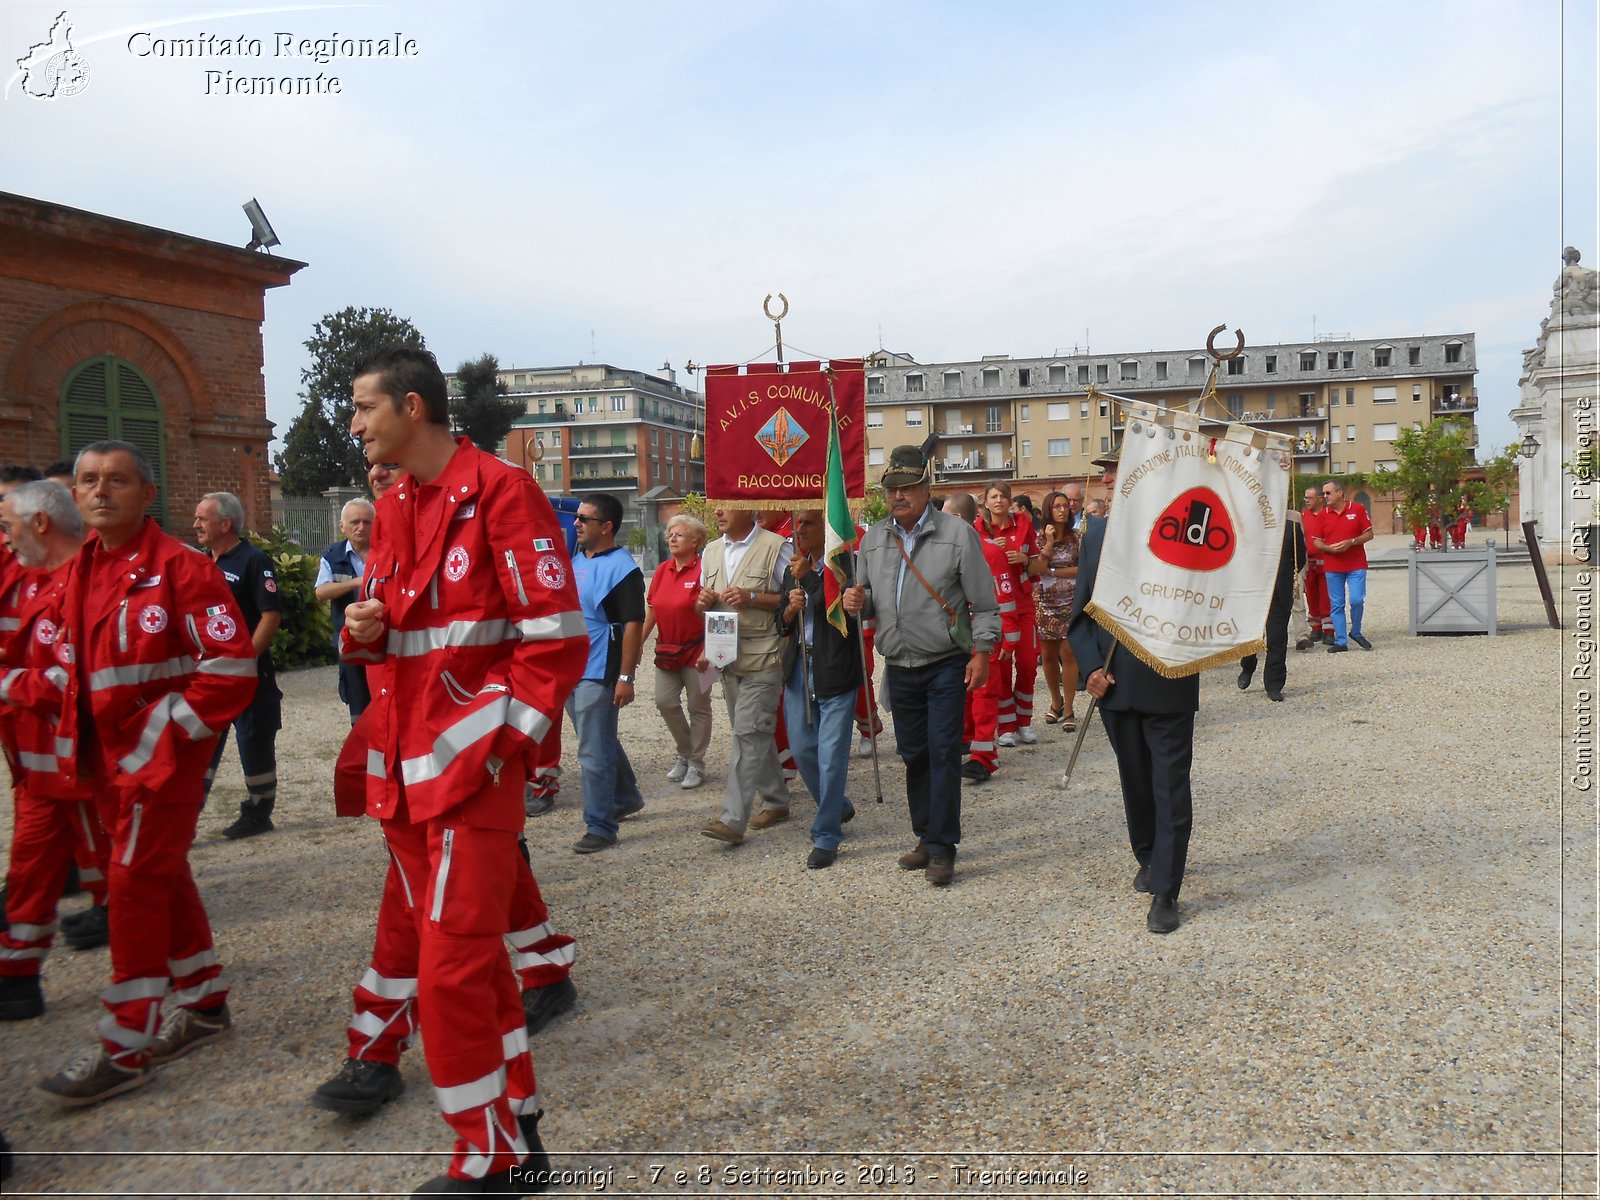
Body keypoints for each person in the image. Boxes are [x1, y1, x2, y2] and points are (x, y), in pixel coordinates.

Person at [334, 347, 585, 1193]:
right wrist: (362, 631)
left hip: (468, 776)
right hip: (406, 772)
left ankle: (490, 1160)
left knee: (445, 973)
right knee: (471, 967)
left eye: (364, 408)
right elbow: (395, 637)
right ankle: (520, 1143)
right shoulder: (397, 503)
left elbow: (554, 644)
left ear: (412, 407)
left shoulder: (504, 493)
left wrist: (495, 753)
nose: (357, 425)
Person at [36, 441, 257, 1104]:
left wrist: (161, 738)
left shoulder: (183, 570)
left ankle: (126, 1045)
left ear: (146, 493)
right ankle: (205, 1004)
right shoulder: (76, 570)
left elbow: (231, 670)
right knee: (161, 874)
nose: (101, 492)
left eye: (117, 481)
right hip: (103, 765)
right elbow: (67, 664)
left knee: (131, 889)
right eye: (89, 481)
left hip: (160, 766)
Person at [842, 446, 999, 886]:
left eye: (908, 488)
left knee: (944, 751)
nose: (899, 496)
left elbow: (984, 603)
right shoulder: (873, 538)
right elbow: (869, 597)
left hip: (946, 662)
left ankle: (943, 847)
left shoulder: (957, 533)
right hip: (898, 663)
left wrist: (983, 653)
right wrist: (856, 600)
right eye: (892, 488)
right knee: (913, 755)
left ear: (926, 488)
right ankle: (926, 836)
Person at [1068, 452, 1199, 935]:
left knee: (1169, 787)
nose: (1105, 480)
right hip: (1113, 682)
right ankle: (1148, 857)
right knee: (1136, 783)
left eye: (1116, 472)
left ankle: (1167, 889)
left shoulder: (1188, 533)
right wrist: (1088, 671)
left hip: (1168, 679)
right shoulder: (1096, 534)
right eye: (1104, 472)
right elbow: (1081, 613)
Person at [0, 480, 111, 1020]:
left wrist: (6, 684)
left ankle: (172, 976)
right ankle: (18, 976)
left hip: (84, 765)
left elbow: (72, 681)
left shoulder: (84, 584)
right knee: (33, 872)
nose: (6, 539)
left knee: (118, 869)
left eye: (9, 527)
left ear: (40, 523)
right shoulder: (39, 581)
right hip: (45, 765)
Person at [697, 506, 792, 846]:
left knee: (747, 733)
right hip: (727, 658)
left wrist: (753, 597)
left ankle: (732, 819)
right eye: (716, 505)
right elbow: (703, 606)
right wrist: (703, 602)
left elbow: (795, 599)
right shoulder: (710, 551)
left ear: (748, 509)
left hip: (765, 657)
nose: (718, 511)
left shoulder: (776, 546)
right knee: (755, 732)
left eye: (725, 504)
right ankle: (777, 801)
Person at [776, 509, 863, 868]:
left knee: (831, 758)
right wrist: (788, 611)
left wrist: (811, 580)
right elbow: (781, 623)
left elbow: (843, 615)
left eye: (808, 523)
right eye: (799, 524)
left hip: (835, 669)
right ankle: (838, 806)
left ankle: (827, 834)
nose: (799, 529)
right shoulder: (792, 569)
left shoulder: (847, 566)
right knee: (802, 749)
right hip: (799, 667)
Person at [193, 492, 282, 839]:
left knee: (254, 742)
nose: (196, 524)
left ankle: (258, 814)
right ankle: (183, 817)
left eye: (202, 518)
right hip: (208, 677)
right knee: (199, 746)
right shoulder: (201, 563)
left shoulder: (253, 560)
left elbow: (270, 616)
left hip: (248, 676)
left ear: (225, 524)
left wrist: (245, 661)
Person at [569, 492, 646, 854]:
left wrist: (625, 678)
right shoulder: (577, 558)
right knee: (597, 738)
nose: (577, 523)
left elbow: (633, 624)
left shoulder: (623, 568)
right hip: (572, 667)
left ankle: (600, 825)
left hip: (598, 670)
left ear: (607, 527)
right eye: (578, 518)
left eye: (585, 519)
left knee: (592, 750)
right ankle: (625, 796)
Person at [942, 493, 1016, 786]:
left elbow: (1005, 599)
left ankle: (985, 759)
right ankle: (968, 740)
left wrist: (1008, 639)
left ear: (957, 520)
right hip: (956, 636)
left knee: (984, 695)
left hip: (985, 636)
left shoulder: (990, 552)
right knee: (964, 693)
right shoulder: (943, 552)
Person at [642, 513, 710, 791]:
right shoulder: (661, 570)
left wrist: (710, 650)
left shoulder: (705, 569)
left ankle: (696, 763)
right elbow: (651, 610)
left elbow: (716, 613)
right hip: (667, 651)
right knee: (664, 702)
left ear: (696, 541)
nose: (672, 537)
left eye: (679, 534)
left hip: (698, 652)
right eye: (670, 533)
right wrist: (635, 647)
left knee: (699, 708)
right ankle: (685, 751)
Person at [976, 482, 1043, 746]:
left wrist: (1024, 560)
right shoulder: (977, 529)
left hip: (1023, 605)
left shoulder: (1024, 525)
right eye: (993, 496)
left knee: (1027, 664)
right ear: (986, 502)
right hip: (995, 610)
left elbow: (1041, 565)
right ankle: (1005, 723)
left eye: (1003, 496)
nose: (999, 501)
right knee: (1000, 667)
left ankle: (1024, 721)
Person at [316, 498, 376, 722]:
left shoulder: (388, 551)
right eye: (355, 522)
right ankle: (361, 750)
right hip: (348, 641)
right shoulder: (332, 555)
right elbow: (321, 591)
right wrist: (357, 582)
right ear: (342, 526)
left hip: (386, 639)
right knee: (358, 707)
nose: (361, 527)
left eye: (367, 522)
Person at [1237, 511, 1307, 702]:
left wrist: (1284, 577)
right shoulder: (1248, 526)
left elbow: (1300, 558)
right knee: (1251, 637)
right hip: (1253, 592)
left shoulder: (1291, 528)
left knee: (1276, 639)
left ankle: (1274, 684)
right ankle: (1247, 666)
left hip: (1279, 592)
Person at [1034, 490, 1081, 731]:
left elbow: (1080, 570)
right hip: (1045, 603)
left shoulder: (1076, 538)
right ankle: (1056, 701)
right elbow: (1037, 567)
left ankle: (1070, 707)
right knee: (1048, 655)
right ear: (1048, 510)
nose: (1062, 509)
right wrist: (1050, 544)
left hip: (1071, 601)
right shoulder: (1039, 538)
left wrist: (1053, 572)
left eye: (1065, 506)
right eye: (1057, 506)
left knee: (1069, 654)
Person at [1313, 479, 1374, 653]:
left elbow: (1369, 534)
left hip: (1356, 564)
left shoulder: (1357, 509)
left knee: (1356, 600)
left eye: (1328, 493)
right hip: (1333, 566)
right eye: (1324, 493)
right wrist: (1327, 548)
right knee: (1337, 604)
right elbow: (1316, 541)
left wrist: (1352, 542)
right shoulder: (1323, 515)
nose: (1325, 497)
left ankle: (1355, 631)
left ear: (1340, 493)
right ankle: (1341, 641)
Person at [1296, 485, 1332, 649]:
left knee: (1326, 595)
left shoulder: (1328, 515)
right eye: (1305, 498)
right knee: (1310, 595)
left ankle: (1329, 629)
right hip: (1308, 562)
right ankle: (1315, 627)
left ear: (1319, 499)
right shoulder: (1303, 516)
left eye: (1309, 498)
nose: (1306, 501)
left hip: (1326, 561)